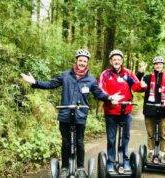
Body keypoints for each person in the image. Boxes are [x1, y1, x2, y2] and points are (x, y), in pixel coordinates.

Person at [20, 49, 123, 178]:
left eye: (85, 61)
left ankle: (80, 168)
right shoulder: (65, 75)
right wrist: (35, 82)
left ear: (87, 63)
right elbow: (51, 84)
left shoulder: (91, 80)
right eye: (80, 60)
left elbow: (99, 93)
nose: (82, 63)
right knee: (66, 142)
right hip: (65, 114)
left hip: (80, 115)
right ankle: (64, 168)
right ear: (76, 60)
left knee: (79, 141)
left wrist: (110, 98)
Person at [98, 49, 147, 172]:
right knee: (111, 138)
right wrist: (109, 98)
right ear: (110, 61)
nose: (116, 61)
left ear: (122, 61)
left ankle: (125, 160)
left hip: (126, 110)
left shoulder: (128, 73)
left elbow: (136, 86)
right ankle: (110, 161)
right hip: (111, 111)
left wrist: (142, 86)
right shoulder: (105, 74)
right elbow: (100, 89)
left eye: (118, 59)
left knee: (125, 137)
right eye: (114, 59)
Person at [136, 56, 165, 162]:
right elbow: (137, 82)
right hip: (150, 110)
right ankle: (150, 152)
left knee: (162, 134)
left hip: (163, 111)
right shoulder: (148, 78)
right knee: (150, 133)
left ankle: (162, 153)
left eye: (160, 64)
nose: (158, 65)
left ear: (163, 65)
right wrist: (140, 73)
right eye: (156, 64)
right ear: (153, 66)